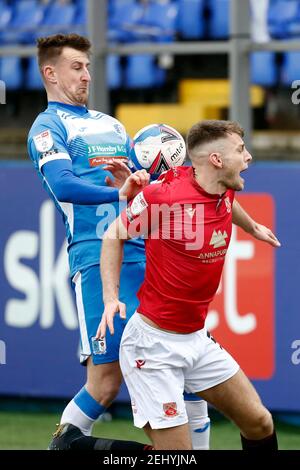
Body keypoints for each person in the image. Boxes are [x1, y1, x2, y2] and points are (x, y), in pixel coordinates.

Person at [26, 32, 209, 451]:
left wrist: (152, 184)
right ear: (49, 73)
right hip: (96, 258)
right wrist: (120, 194)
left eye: (88, 66)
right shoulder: (47, 126)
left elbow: (141, 183)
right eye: (77, 67)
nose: (86, 75)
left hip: (146, 253)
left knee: (190, 370)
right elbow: (62, 184)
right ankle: (65, 445)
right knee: (106, 383)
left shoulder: (112, 124)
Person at [97, 119, 281, 450]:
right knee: (179, 457)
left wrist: (252, 227)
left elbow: (227, 201)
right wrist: (110, 298)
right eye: (241, 150)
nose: (249, 157)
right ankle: (82, 446)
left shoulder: (223, 186)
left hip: (196, 339)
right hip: (152, 348)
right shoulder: (163, 196)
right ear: (216, 160)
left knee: (259, 422)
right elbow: (113, 234)